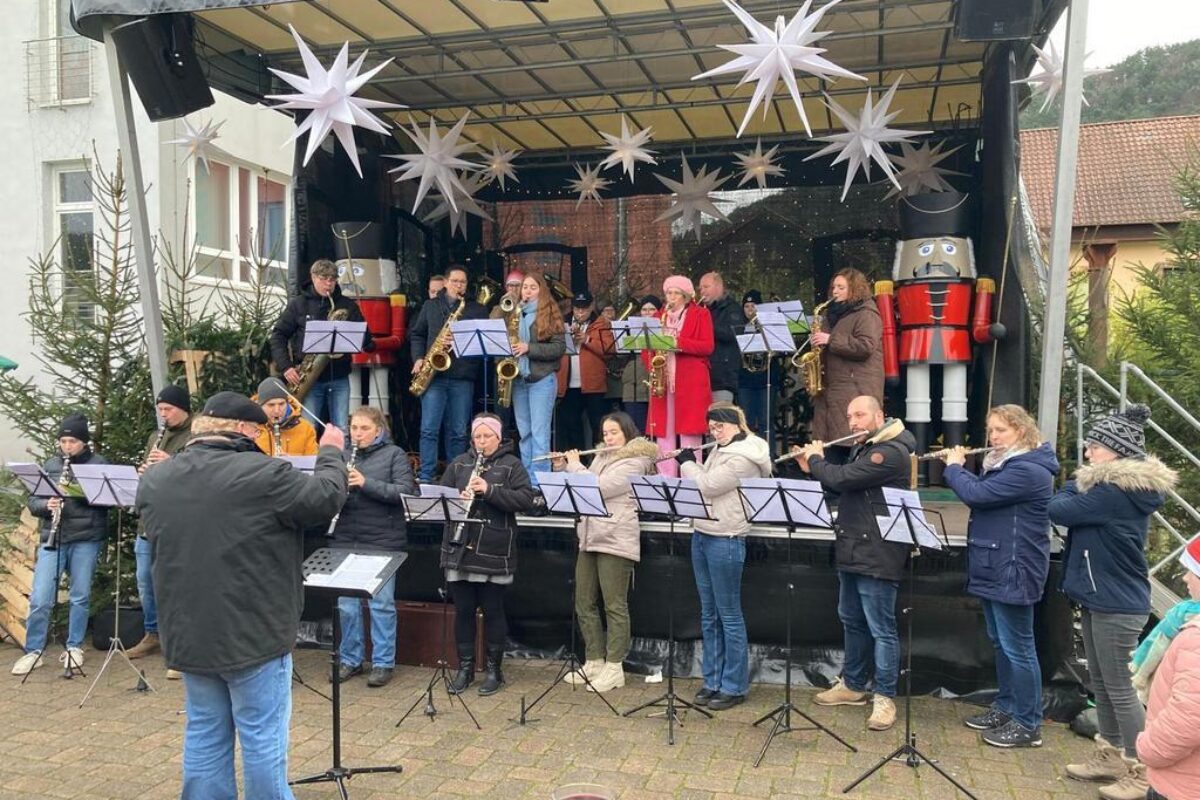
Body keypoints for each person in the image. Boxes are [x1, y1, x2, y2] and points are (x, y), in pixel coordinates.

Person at [136, 391, 347, 799]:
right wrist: (331, 453)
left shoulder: (156, 480)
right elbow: (324, 498)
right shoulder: (264, 474)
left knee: (205, 730)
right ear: (244, 430)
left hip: (188, 631)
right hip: (253, 632)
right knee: (261, 737)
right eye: (258, 430)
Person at [1051, 404, 1178, 800]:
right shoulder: (1111, 489)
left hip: (1117, 604)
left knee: (1120, 688)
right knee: (1102, 685)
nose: (1087, 452)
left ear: (1116, 451)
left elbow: (1057, 509)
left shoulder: (1115, 492)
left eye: (1094, 446)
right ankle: (1110, 756)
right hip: (1099, 596)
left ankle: (1144, 774)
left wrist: (1076, 482)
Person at [939, 405, 1060, 748]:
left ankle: (1027, 723)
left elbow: (978, 495)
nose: (992, 438)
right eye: (990, 431)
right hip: (997, 562)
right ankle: (1006, 706)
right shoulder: (1006, 464)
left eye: (1000, 431)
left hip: (1015, 567)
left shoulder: (1029, 469)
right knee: (1000, 642)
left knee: (1018, 647)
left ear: (1021, 431)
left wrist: (953, 467)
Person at [795, 395, 916, 732]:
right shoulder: (864, 447)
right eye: (849, 416)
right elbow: (844, 489)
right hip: (852, 545)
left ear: (880, 414)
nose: (853, 423)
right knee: (851, 620)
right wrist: (814, 471)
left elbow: (844, 479)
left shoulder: (890, 450)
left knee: (882, 628)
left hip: (878, 551)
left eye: (860, 414)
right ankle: (853, 685)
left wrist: (818, 459)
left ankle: (885, 697)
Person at [678, 403, 772, 710]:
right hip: (702, 532)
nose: (715, 432)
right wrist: (696, 466)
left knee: (729, 614)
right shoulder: (722, 448)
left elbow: (708, 485)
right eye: (712, 427)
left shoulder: (745, 456)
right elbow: (706, 478)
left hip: (727, 537)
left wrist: (687, 463)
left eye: (720, 426)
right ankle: (712, 680)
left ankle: (734, 686)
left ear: (737, 425)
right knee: (708, 614)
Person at [556, 412, 658, 693]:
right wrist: (561, 468)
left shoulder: (635, 461)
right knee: (584, 601)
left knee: (614, 605)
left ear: (627, 433)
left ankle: (615, 667)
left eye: (614, 432)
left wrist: (575, 465)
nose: (608, 437)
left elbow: (598, 487)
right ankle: (594, 660)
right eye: (605, 433)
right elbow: (578, 487)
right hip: (590, 535)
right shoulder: (602, 456)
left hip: (616, 537)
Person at [441, 414, 538, 696]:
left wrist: (490, 490)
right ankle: (465, 668)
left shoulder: (511, 465)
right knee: (463, 612)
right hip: (460, 546)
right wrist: (456, 498)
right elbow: (441, 495)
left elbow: (526, 499)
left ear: (498, 437)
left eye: (487, 437)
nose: (482, 442)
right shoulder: (460, 463)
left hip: (495, 548)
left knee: (493, 610)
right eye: (477, 437)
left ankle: (495, 670)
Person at [11, 413, 109, 676]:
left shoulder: (98, 464)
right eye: (63, 441)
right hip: (54, 538)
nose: (67, 446)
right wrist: (47, 504)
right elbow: (33, 503)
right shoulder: (51, 464)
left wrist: (77, 492)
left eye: (72, 441)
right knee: (41, 597)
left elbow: (107, 502)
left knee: (80, 596)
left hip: (86, 538)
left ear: (84, 443)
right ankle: (34, 651)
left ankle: (74, 646)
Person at [329, 406, 417, 688]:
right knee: (347, 606)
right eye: (354, 428)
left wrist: (366, 483)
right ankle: (350, 660)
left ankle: (382, 663)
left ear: (379, 430)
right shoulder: (342, 456)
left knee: (381, 605)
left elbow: (407, 493)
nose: (357, 434)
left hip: (382, 539)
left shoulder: (394, 455)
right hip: (346, 537)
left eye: (364, 429)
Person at [127, 385, 194, 669]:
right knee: (145, 580)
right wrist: (145, 471)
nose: (163, 415)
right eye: (160, 410)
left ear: (183, 408)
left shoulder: (195, 437)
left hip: (176, 522)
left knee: (176, 585)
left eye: (168, 409)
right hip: (149, 520)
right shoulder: (156, 436)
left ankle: (180, 642)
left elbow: (197, 476)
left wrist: (170, 463)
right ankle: (153, 633)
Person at [269, 258, 373, 432]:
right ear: (313, 277)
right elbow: (278, 335)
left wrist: (364, 336)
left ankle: (339, 459)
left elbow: (365, 338)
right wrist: (286, 367)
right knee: (309, 427)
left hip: (339, 376)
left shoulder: (347, 305)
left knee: (341, 427)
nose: (328, 284)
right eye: (324, 279)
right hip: (310, 378)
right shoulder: (299, 304)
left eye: (332, 279)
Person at [1137, 537, 1200, 800]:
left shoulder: (1196, 641)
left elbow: (1189, 716)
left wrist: (1148, 748)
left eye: (1193, 570)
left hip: (1180, 784)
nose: (1185, 578)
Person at [409, 265, 484, 482]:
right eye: (455, 281)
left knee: (459, 431)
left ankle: (456, 477)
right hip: (434, 376)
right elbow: (417, 334)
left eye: (463, 282)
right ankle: (426, 476)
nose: (459, 285)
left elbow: (480, 343)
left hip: (462, 376)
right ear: (446, 282)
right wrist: (419, 358)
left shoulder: (475, 309)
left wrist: (460, 340)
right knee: (429, 430)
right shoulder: (431, 306)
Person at [645, 275, 714, 478]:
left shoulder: (701, 314)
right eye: (668, 293)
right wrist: (653, 366)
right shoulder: (659, 317)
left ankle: (692, 479)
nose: (671, 297)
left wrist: (678, 342)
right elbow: (645, 347)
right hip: (664, 380)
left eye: (676, 293)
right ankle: (666, 479)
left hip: (690, 381)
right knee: (663, 434)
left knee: (690, 434)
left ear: (685, 295)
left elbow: (707, 346)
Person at [810, 268, 885, 441]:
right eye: (834, 287)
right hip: (834, 386)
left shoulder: (866, 313)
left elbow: (866, 346)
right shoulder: (833, 315)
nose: (835, 291)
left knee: (849, 441)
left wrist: (830, 339)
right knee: (831, 443)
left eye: (841, 287)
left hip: (856, 386)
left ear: (855, 289)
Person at [512, 273, 565, 483]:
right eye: (525, 287)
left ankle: (540, 485)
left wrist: (528, 348)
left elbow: (558, 348)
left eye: (533, 287)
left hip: (542, 379)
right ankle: (527, 481)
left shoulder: (551, 314)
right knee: (524, 434)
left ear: (541, 290)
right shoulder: (514, 312)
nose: (527, 291)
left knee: (540, 435)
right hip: (519, 380)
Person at [557, 290, 613, 452]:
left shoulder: (601, 323)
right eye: (577, 309)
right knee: (571, 426)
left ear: (591, 307)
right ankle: (578, 461)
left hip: (593, 384)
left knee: (597, 425)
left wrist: (587, 340)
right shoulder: (563, 322)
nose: (580, 312)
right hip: (568, 384)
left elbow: (609, 351)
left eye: (584, 309)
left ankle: (598, 459)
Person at [737, 289, 780, 438]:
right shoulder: (739, 327)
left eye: (753, 306)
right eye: (746, 307)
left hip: (766, 378)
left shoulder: (769, 327)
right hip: (746, 380)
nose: (750, 310)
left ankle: (769, 456)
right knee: (745, 421)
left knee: (765, 421)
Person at [698, 272, 746, 405]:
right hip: (703, 377)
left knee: (720, 417)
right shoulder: (702, 310)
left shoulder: (732, 309)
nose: (702, 291)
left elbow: (731, 334)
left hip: (723, 378)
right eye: (700, 288)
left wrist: (704, 325)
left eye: (706, 287)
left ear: (718, 287)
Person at [621, 295, 661, 433]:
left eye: (652, 309)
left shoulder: (664, 327)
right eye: (644, 309)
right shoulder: (630, 329)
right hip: (632, 386)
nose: (647, 313)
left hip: (654, 382)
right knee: (635, 429)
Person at [254, 377, 318, 456]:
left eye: (281, 404)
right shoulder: (249, 427)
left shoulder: (306, 428)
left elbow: (313, 463)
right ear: (260, 405)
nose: (277, 410)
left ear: (287, 403)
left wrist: (291, 462)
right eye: (271, 405)